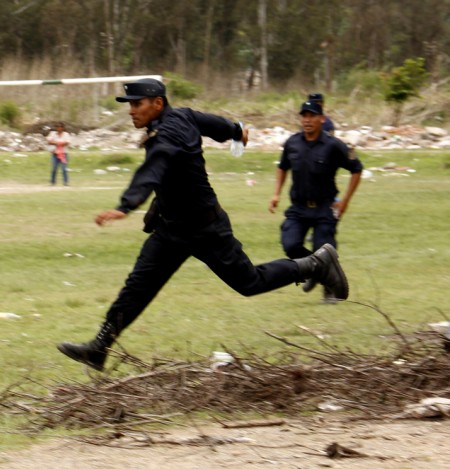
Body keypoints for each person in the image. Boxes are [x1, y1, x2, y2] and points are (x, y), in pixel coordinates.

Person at [56, 78, 350, 371]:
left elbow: (155, 165)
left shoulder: (168, 132)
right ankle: (99, 348)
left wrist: (127, 205)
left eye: (137, 104)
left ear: (157, 103)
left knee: (250, 282)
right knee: (138, 287)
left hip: (205, 228)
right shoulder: (182, 115)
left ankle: (315, 264)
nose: (132, 110)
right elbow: (214, 124)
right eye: (130, 105)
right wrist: (236, 132)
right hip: (171, 229)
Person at [269, 101, 363, 303]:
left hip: (325, 208)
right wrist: (276, 194)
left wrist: (345, 201)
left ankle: (329, 289)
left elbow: (356, 168)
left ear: (322, 119)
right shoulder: (292, 143)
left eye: (312, 116)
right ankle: (315, 271)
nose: (307, 120)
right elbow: (282, 167)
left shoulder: (334, 145)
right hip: (298, 208)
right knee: (291, 245)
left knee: (324, 247)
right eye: (304, 116)